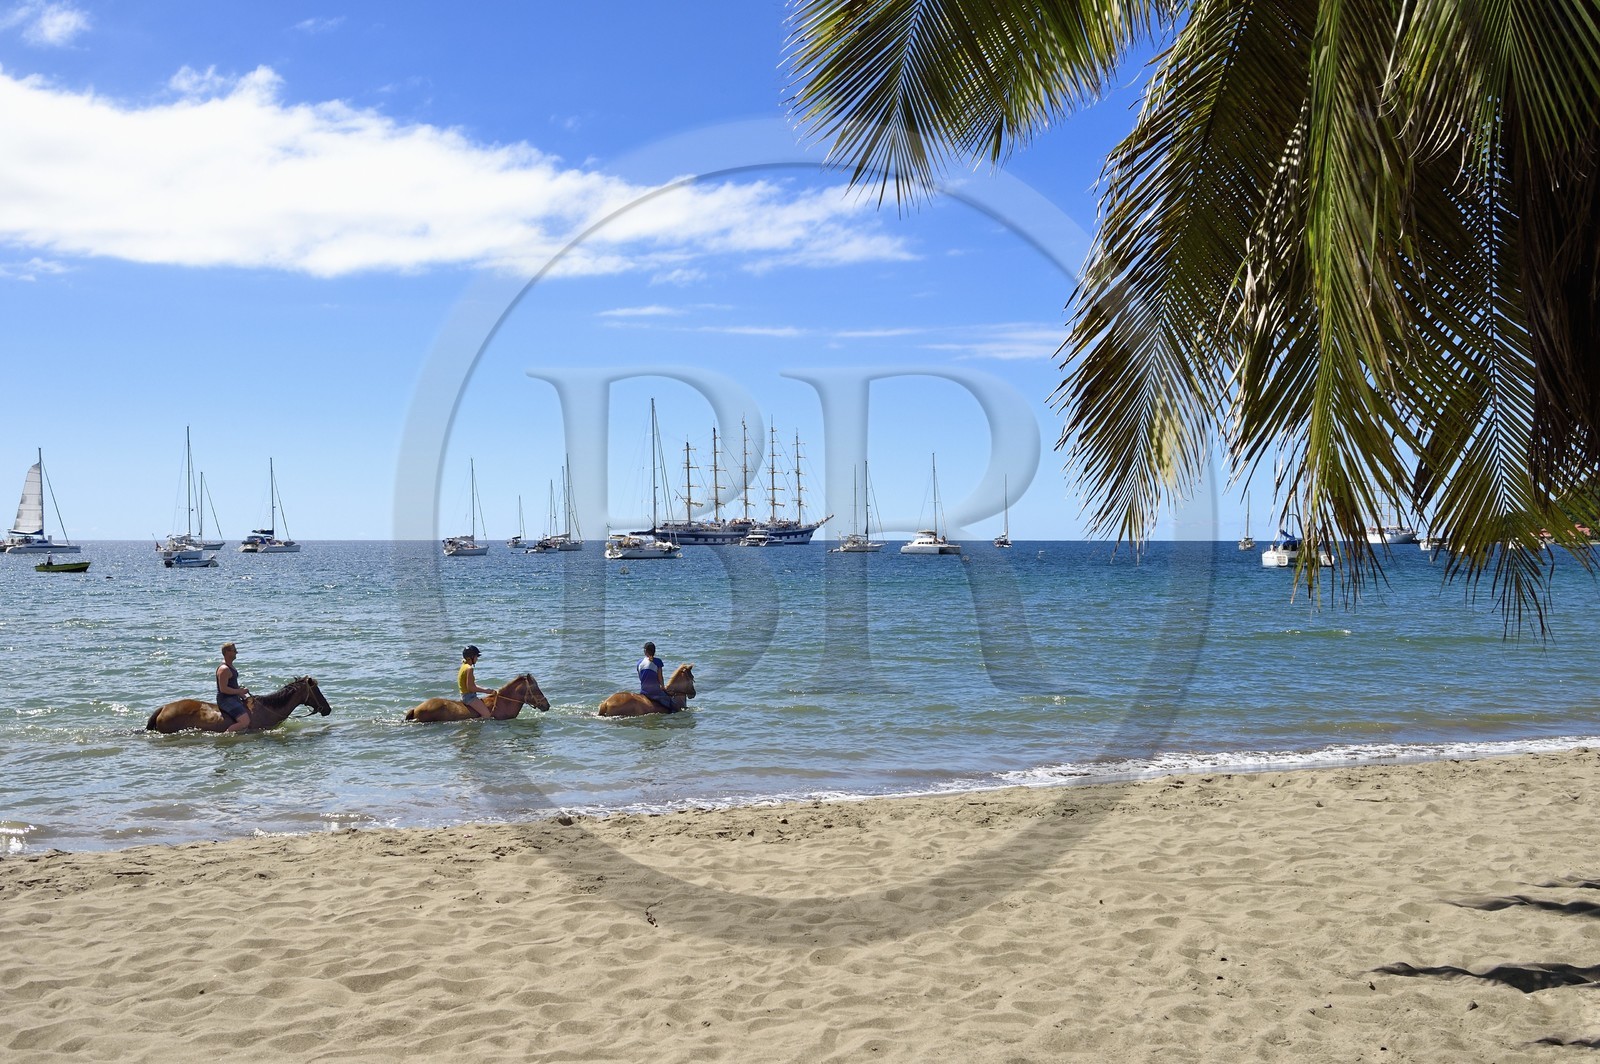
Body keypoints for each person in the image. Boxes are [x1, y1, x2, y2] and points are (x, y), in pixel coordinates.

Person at [216, 641, 252, 733]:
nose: (236, 652)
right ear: (227, 652)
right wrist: (240, 692)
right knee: (245, 722)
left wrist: (244, 695)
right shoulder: (224, 669)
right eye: (234, 650)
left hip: (233, 697)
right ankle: (226, 735)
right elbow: (223, 689)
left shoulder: (230, 666)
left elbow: (232, 685)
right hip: (226, 700)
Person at [457, 645, 496, 719]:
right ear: (471, 657)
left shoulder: (463, 665)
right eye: (476, 656)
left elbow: (470, 685)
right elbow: (471, 688)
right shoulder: (469, 668)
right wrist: (487, 691)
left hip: (463, 695)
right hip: (469, 697)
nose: (477, 659)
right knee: (487, 715)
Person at [637, 641, 675, 712]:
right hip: (655, 692)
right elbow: (660, 677)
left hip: (643, 691)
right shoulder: (658, 662)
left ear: (645, 651)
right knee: (671, 703)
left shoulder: (639, 663)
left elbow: (640, 678)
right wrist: (663, 688)